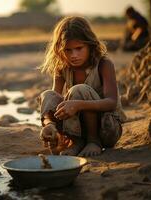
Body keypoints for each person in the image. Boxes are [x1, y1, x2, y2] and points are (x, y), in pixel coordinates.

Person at [38, 16, 126, 157]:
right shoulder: (62, 67)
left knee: (79, 89)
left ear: (90, 45)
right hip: (77, 129)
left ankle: (93, 141)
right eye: (68, 50)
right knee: (48, 95)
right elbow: (54, 100)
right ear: (60, 50)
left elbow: (111, 102)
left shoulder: (103, 64)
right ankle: (75, 141)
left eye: (79, 48)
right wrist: (49, 123)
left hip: (106, 128)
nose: (74, 55)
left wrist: (79, 105)